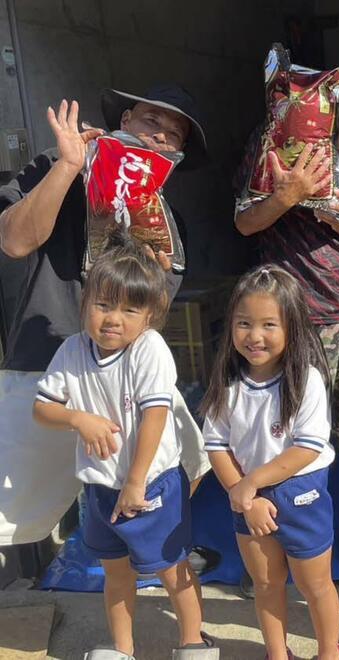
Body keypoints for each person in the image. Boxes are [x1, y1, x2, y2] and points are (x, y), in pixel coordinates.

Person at [0, 84, 209, 548]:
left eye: (173, 136)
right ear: (126, 120)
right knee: (9, 513)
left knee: (190, 462)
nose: (159, 138)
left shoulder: (164, 222)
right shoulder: (56, 166)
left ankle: (155, 556)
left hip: (122, 382)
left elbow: (152, 317)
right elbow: (14, 242)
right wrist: (69, 165)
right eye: (152, 123)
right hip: (43, 362)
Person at [234, 59, 339, 591]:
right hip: (288, 317)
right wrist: (288, 195)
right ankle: (286, 536)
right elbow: (242, 221)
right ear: (334, 92)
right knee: (283, 432)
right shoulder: (274, 145)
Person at [32, 237, 215, 660]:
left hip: (150, 483)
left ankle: (193, 642)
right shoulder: (73, 349)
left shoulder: (148, 348)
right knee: (114, 573)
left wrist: (136, 482)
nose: (113, 319)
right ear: (85, 303)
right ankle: (122, 648)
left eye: (129, 310)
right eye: (103, 305)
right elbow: (43, 409)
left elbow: (156, 415)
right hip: (100, 487)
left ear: (150, 316)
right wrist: (78, 418)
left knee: (172, 568)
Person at [201, 265, 339, 660]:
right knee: (266, 583)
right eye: (244, 323)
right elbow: (215, 444)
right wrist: (243, 493)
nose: (254, 336)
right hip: (244, 495)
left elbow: (307, 448)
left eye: (269, 324)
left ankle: (328, 654)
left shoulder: (306, 380)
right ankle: (277, 654)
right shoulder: (227, 383)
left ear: (292, 327)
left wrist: (252, 484)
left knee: (315, 584)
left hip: (301, 493)